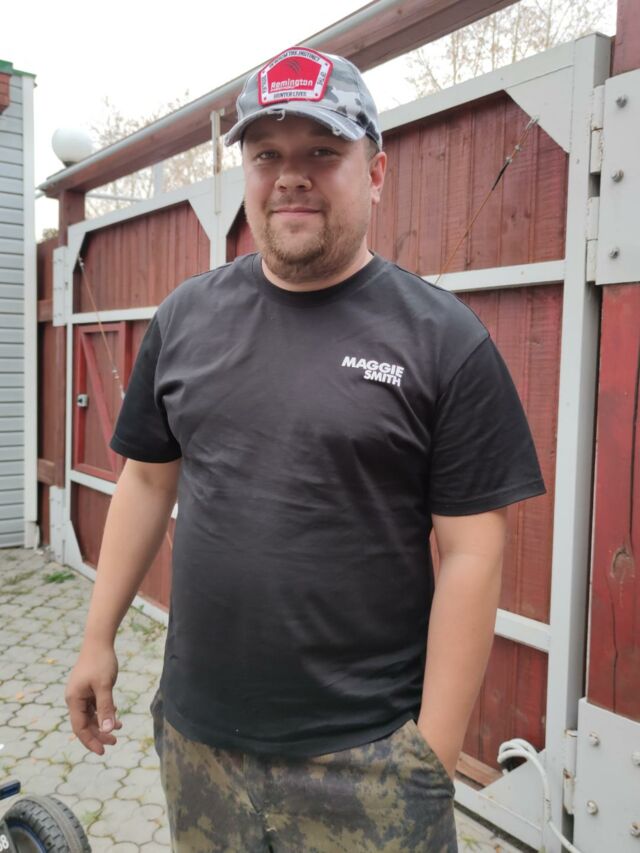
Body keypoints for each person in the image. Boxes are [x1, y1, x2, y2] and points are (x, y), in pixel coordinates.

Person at [65, 46, 546, 852]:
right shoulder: (185, 319)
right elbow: (146, 481)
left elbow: (473, 551)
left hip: (366, 757)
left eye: (322, 151)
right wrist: (96, 637)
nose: (291, 176)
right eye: (267, 155)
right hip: (199, 739)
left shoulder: (444, 341)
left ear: (376, 173)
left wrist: (429, 754)